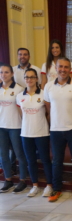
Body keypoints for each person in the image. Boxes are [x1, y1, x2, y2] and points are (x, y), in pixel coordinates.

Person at [44, 57, 72, 203]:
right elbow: (48, 108)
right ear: (56, 69)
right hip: (56, 129)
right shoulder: (48, 86)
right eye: (60, 67)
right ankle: (57, 189)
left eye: (66, 67)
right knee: (57, 161)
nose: (63, 69)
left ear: (70, 69)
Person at [16, 68, 53, 197]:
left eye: (32, 77)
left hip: (41, 132)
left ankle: (49, 185)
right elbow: (21, 114)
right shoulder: (19, 96)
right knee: (30, 160)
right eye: (27, 77)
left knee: (45, 160)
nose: (29, 80)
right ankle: (35, 185)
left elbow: (49, 112)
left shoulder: (43, 94)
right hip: (26, 133)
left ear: (37, 79)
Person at [0, 64, 28, 193]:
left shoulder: (19, 89)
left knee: (19, 154)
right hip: (1, 127)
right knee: (3, 155)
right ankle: (8, 179)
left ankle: (22, 180)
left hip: (15, 126)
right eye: (1, 72)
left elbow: (22, 109)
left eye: (6, 72)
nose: (3, 75)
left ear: (12, 74)